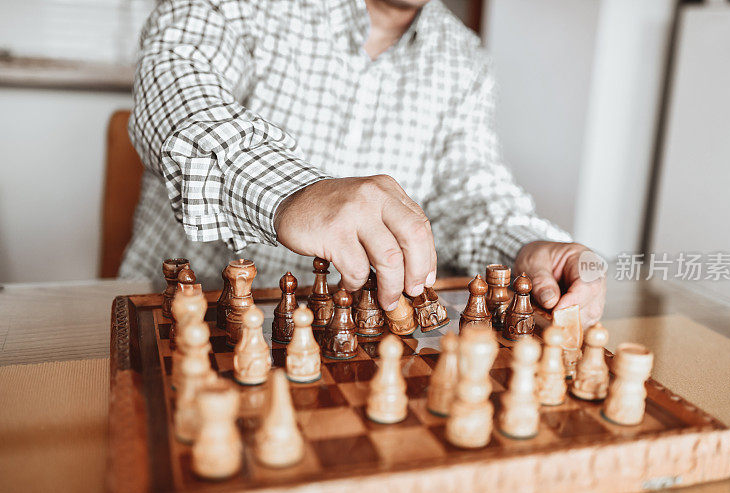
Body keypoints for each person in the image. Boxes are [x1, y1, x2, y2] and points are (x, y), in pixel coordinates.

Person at [120, 0, 605, 325]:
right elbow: (176, 99)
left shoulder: (464, 59)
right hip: (180, 318)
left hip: (351, 341)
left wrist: (528, 248)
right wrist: (292, 195)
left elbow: (471, 197)